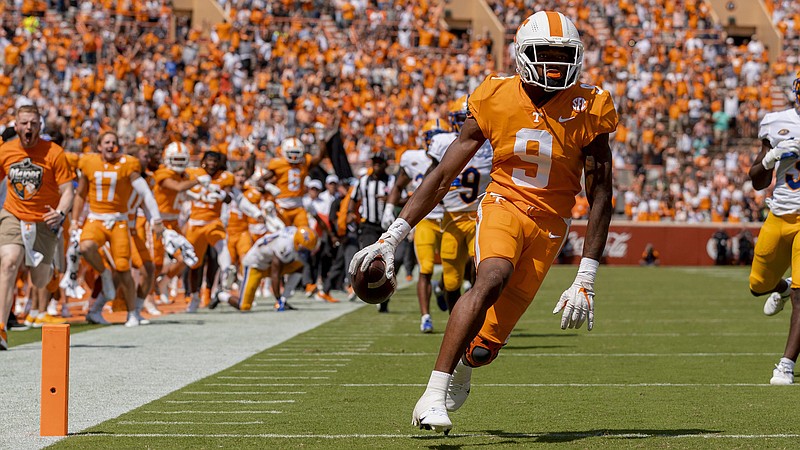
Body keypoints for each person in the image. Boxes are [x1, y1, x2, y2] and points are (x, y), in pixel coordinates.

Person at [349, 11, 617, 432]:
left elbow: (602, 193)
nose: (553, 65)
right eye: (543, 54)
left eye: (561, 56)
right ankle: (431, 395)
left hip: (550, 225)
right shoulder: (495, 95)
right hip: (503, 204)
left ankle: (464, 366)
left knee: (483, 351)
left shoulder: (592, 104)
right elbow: (442, 175)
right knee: (491, 277)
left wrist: (586, 276)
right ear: (522, 55)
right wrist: (393, 235)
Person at [0, 105, 74, 349]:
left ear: (40, 125)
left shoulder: (54, 152)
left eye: (33, 123)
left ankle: (48, 266)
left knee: (40, 280)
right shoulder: (6, 150)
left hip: (45, 220)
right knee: (9, 261)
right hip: (13, 214)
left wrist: (60, 213)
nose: (28, 127)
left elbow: (68, 192)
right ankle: (1, 328)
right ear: (16, 126)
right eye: (24, 123)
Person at [72, 131, 164, 327]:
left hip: (121, 223)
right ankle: (105, 286)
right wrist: (74, 220)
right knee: (86, 248)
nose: (110, 145)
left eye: (114, 142)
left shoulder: (128, 167)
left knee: (124, 268)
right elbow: (80, 193)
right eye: (106, 142)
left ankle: (133, 312)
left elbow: (146, 196)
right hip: (97, 219)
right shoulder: (89, 162)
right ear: (99, 146)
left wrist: (156, 219)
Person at [747, 71, 800, 385]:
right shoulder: (775, 122)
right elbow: (757, 181)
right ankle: (780, 287)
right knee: (758, 285)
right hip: (779, 215)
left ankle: (785, 364)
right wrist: (771, 158)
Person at [384, 119, 449, 332]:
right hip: (427, 220)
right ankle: (426, 317)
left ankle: (441, 288)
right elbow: (399, 184)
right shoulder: (412, 159)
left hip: (451, 217)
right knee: (426, 268)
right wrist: (389, 207)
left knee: (455, 271)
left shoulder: (455, 155)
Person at [212, 226, 318, 312]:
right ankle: (221, 295)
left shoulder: (295, 235)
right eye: (303, 248)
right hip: (255, 265)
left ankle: (284, 299)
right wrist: (277, 299)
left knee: (299, 265)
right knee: (244, 306)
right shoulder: (284, 245)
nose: (304, 252)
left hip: (268, 263)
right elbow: (275, 274)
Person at [351, 150, 395, 313]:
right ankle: (366, 291)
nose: (376, 165)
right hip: (368, 225)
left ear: (385, 164)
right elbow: (353, 199)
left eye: (379, 162)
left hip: (386, 227)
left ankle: (383, 299)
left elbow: (405, 198)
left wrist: (391, 200)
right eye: (374, 162)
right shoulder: (363, 181)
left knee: (387, 262)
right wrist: (350, 213)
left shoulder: (392, 181)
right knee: (368, 260)